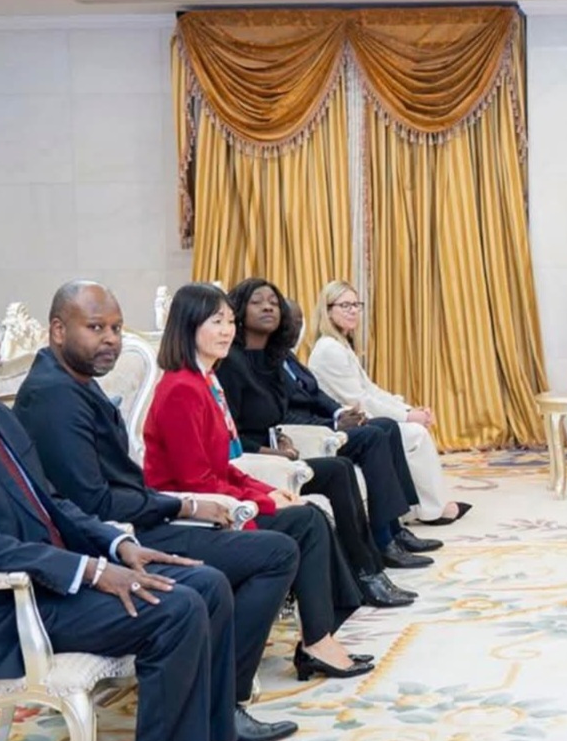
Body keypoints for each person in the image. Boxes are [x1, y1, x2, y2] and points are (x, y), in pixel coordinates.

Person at [0, 288, 234, 741]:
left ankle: (207, 738)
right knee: (176, 610)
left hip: (38, 583)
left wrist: (116, 545)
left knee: (207, 583)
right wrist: (90, 571)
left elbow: (51, 502)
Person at [14, 281, 300, 741]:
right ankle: (224, 704)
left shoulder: (73, 384)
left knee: (255, 557)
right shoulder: (54, 396)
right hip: (109, 538)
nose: (110, 339)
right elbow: (92, 504)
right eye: (96, 328)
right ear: (58, 330)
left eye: (116, 328)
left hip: (130, 524)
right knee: (271, 554)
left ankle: (220, 709)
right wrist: (184, 504)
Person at [142, 283, 389, 678]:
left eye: (229, 321)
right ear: (188, 326)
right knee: (307, 521)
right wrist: (265, 502)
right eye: (216, 322)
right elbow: (197, 481)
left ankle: (320, 636)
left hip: (216, 497)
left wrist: (269, 490)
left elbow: (223, 467)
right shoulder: (181, 390)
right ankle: (318, 640)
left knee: (308, 514)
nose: (227, 330)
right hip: (190, 515)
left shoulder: (205, 381)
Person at [215, 278, 434, 570]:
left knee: (382, 429)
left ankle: (387, 539)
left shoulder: (273, 357)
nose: (268, 307)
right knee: (366, 442)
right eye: (257, 302)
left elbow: (308, 398)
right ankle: (376, 553)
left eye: (274, 303)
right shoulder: (232, 363)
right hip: (279, 445)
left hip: (287, 439)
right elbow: (237, 429)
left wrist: (338, 415)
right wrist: (323, 429)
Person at [306, 279, 471, 524]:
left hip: (362, 418)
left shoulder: (341, 344)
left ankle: (420, 507)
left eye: (356, 305)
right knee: (416, 434)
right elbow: (359, 401)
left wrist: (408, 410)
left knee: (414, 429)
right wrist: (408, 417)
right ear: (328, 311)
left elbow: (370, 389)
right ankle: (432, 510)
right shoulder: (329, 349)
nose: (353, 310)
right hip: (347, 425)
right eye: (345, 305)